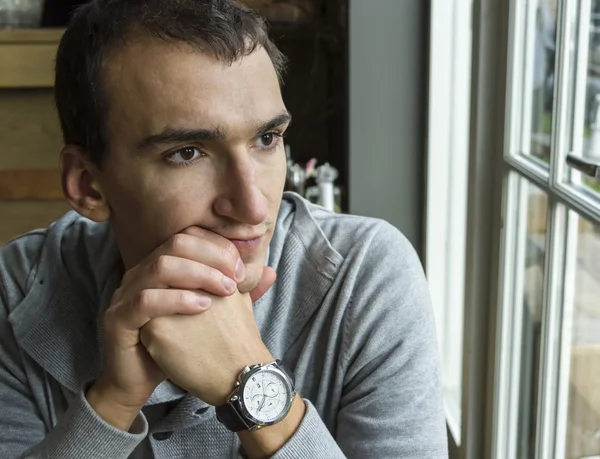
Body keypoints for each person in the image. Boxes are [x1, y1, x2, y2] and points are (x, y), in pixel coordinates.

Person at [0, 0, 448, 458]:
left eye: (267, 139)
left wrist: (252, 383)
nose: (253, 206)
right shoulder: (19, 289)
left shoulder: (366, 278)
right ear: (89, 186)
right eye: (188, 152)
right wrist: (112, 404)